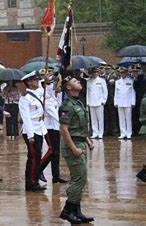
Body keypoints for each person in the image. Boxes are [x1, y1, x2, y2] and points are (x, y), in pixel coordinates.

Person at [58, 76, 95, 224]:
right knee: (80, 178)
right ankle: (67, 211)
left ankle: (76, 210)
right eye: (74, 81)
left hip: (80, 142)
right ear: (68, 87)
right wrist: (73, 148)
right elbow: (64, 129)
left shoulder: (78, 102)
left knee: (79, 178)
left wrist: (87, 140)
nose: (79, 81)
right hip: (72, 145)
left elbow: (78, 126)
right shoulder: (66, 106)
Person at [18, 71, 47, 192]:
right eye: (35, 80)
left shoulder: (37, 92)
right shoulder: (25, 98)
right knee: (34, 158)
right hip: (31, 130)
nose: (37, 82)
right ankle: (32, 183)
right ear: (29, 83)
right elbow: (26, 118)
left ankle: (33, 181)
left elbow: (43, 88)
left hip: (39, 128)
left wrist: (45, 80)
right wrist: (30, 135)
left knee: (35, 156)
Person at [39, 73, 68, 184]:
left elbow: (61, 109)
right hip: (49, 128)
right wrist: (67, 122)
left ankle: (56, 176)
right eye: (54, 84)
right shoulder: (46, 99)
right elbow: (56, 115)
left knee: (56, 153)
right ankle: (39, 169)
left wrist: (59, 95)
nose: (57, 86)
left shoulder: (54, 98)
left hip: (55, 128)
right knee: (52, 151)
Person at [86, 67, 108, 139]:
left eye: (96, 72)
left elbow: (105, 91)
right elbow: (88, 93)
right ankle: (95, 133)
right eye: (93, 72)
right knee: (93, 119)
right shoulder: (89, 81)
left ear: (98, 73)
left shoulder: (102, 81)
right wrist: (88, 101)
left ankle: (100, 133)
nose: (94, 74)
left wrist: (103, 101)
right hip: (91, 102)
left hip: (99, 102)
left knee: (100, 119)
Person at [115, 67, 136, 139]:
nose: (122, 74)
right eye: (121, 73)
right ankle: (123, 133)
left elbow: (133, 92)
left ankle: (129, 133)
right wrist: (116, 102)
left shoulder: (130, 81)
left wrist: (133, 102)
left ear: (126, 73)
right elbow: (116, 93)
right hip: (120, 102)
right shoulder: (117, 82)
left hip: (128, 102)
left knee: (128, 119)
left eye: (124, 73)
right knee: (121, 119)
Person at [103, 65, 120, 136]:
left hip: (112, 99)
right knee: (105, 115)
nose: (107, 70)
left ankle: (114, 130)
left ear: (112, 70)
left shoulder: (115, 78)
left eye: (108, 69)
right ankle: (106, 130)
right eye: (106, 69)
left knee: (113, 115)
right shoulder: (102, 78)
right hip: (104, 99)